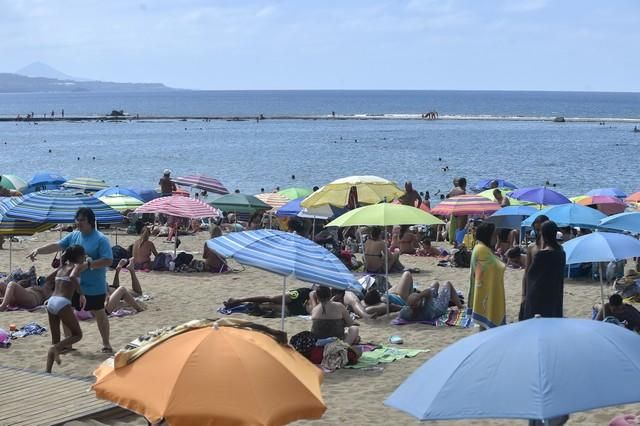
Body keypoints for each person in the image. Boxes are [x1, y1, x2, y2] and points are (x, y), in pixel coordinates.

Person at [28, 207, 114, 353]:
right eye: (77, 219)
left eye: (82, 220)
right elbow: (57, 245)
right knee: (66, 313)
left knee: (100, 313)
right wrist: (38, 250)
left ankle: (106, 344)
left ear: (90, 221)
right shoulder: (74, 235)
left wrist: (88, 265)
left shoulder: (101, 238)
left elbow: (108, 260)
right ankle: (67, 344)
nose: (78, 223)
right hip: (72, 285)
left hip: (94, 285)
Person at [45, 245, 86, 372]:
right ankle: (55, 348)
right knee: (77, 334)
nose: (85, 257)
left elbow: (48, 279)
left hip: (51, 301)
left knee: (55, 341)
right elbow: (73, 277)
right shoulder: (76, 266)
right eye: (83, 255)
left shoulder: (61, 267)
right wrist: (81, 293)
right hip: (62, 302)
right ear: (78, 257)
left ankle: (48, 371)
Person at [522, 220, 566, 319]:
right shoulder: (561, 252)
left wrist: (525, 296)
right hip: (555, 294)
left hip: (539, 296)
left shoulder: (541, 255)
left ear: (543, 234)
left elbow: (531, 277)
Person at [467, 222, 506, 329]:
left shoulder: (482, 248)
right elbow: (498, 266)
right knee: (485, 328)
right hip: (486, 293)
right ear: (487, 235)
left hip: (487, 291)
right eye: (494, 235)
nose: (496, 237)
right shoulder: (481, 250)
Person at [520, 214, 549, 320]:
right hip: (533, 288)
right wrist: (523, 294)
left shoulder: (555, 250)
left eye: (541, 229)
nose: (539, 232)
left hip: (548, 289)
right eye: (537, 230)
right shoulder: (532, 247)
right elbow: (526, 272)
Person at [224, 287, 314, 316]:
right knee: (272, 298)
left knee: (268, 305)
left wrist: (312, 299)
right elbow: (313, 292)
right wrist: (312, 296)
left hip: (298, 309)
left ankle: (241, 304)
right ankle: (240, 300)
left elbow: (311, 311)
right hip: (304, 294)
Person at [399, 281, 463, 322]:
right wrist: (418, 296)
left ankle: (451, 300)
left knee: (435, 284)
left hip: (431, 305)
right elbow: (428, 292)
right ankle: (460, 306)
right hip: (438, 308)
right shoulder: (425, 309)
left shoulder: (405, 313)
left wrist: (414, 299)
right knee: (447, 283)